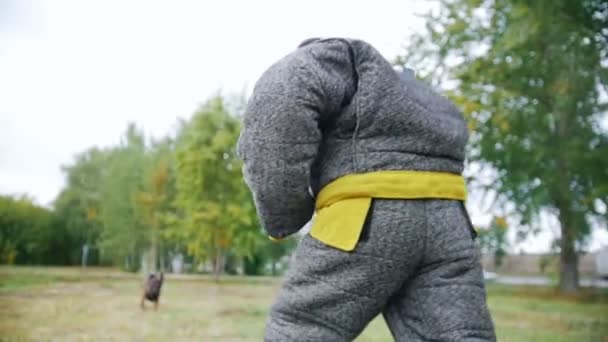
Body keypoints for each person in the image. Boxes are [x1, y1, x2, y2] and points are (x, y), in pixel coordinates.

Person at [237, 38, 496, 342]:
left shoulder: (329, 58)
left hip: (364, 215)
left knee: (303, 328)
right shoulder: (413, 91)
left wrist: (283, 214)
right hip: (451, 222)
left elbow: (276, 117)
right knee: (457, 334)